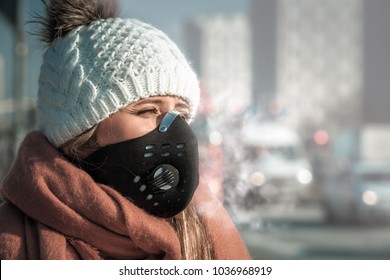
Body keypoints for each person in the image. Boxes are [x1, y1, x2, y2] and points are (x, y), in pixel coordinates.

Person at [0, 0, 250, 260]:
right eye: (148, 110)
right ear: (82, 131)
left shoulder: (204, 221)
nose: (175, 130)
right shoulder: (13, 242)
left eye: (182, 114)